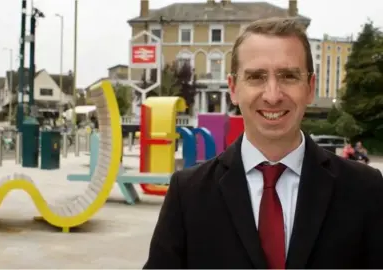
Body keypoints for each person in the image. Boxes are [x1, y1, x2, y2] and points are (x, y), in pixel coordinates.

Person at [143, 17, 383, 269]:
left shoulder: (365, 189)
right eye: (256, 77)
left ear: (310, 87)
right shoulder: (188, 193)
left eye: (289, 76)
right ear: (233, 89)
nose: (272, 96)